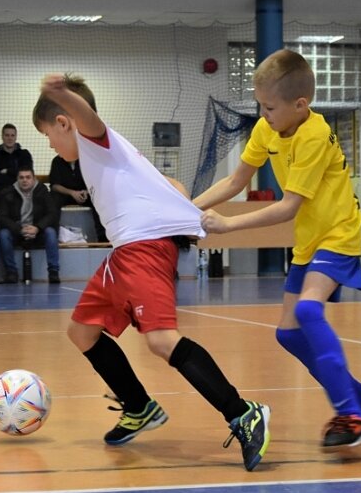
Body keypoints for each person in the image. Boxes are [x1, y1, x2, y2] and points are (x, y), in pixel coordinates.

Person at [34, 73, 271, 472]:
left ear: (64, 121)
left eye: (48, 134)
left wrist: (59, 93)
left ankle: (243, 412)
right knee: (82, 331)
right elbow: (173, 185)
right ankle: (139, 406)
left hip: (143, 250)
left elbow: (87, 118)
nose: (51, 145)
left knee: (161, 341)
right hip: (124, 253)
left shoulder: (95, 139)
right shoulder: (111, 156)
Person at [194, 49, 361, 450]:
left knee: (307, 310)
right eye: (260, 105)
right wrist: (184, 208)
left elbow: (287, 207)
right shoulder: (267, 130)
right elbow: (235, 181)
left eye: (269, 107)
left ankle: (351, 415)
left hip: (338, 235)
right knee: (288, 334)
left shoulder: (314, 136)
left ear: (300, 105)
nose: (263, 114)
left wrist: (228, 224)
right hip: (309, 241)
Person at [0, 167, 60, 284]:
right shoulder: (8, 192)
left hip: (38, 231)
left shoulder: (42, 191)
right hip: (17, 232)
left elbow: (52, 213)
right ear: (17, 179)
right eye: (21, 178)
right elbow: (2, 217)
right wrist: (19, 229)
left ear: (33, 179)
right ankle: (11, 272)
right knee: (3, 234)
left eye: (28, 177)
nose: (24, 180)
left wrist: (37, 227)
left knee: (50, 232)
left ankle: (53, 272)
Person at [48, 154, 107, 243]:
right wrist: (72, 193)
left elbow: (96, 182)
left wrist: (87, 192)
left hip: (84, 194)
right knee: (53, 199)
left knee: (98, 198)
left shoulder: (86, 159)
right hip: (65, 194)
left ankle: (103, 239)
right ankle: (53, 237)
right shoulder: (57, 161)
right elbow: (54, 186)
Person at [0, 123, 34, 198]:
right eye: (7, 135)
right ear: (2, 136)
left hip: (23, 191)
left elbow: (28, 174)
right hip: (3, 193)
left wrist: (8, 171)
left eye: (12, 135)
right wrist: (17, 175)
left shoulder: (25, 154)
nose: (10, 138)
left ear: (16, 137)